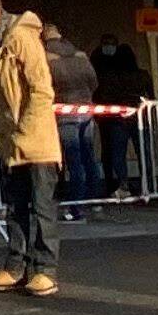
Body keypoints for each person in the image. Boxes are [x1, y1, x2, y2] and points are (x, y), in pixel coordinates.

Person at [0, 0, 65, 299]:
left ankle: (44, 269)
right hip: (13, 142)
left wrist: (26, 128)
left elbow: (41, 88)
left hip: (35, 141)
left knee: (42, 207)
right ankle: (16, 266)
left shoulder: (21, 39)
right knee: (17, 207)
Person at [51, 26, 102, 204]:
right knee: (88, 155)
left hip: (64, 112)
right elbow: (94, 82)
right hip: (86, 110)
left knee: (73, 158)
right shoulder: (81, 56)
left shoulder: (46, 58)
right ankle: (95, 198)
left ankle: (75, 202)